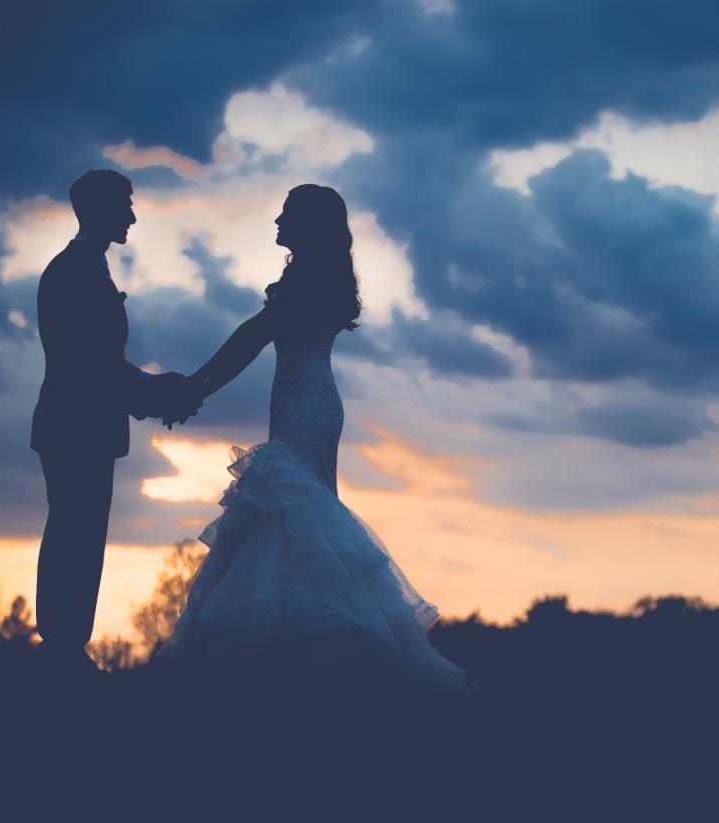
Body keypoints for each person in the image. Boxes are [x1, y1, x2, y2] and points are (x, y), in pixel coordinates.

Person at [157, 184, 466, 689]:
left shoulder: (304, 281)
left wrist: (195, 388)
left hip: (305, 407)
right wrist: (197, 388)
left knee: (289, 509)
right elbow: (253, 338)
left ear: (307, 225)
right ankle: (306, 658)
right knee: (299, 514)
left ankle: (293, 657)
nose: (277, 221)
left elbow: (251, 338)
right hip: (315, 402)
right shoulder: (318, 277)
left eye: (286, 215)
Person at [30, 169, 201, 677]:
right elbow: (88, 364)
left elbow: (98, 363)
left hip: (83, 425)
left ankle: (66, 646)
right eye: (124, 204)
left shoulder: (85, 268)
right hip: (74, 427)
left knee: (80, 533)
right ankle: (61, 648)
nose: (131, 215)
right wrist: (157, 391)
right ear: (98, 209)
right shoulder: (73, 272)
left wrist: (154, 390)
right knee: (74, 533)